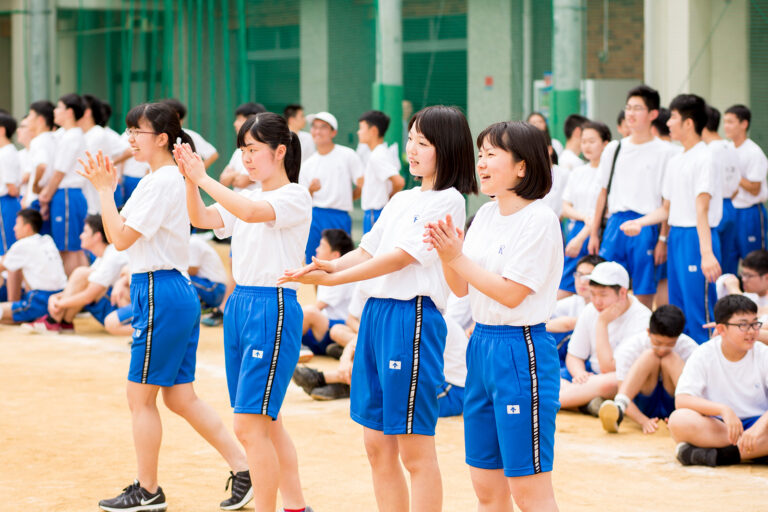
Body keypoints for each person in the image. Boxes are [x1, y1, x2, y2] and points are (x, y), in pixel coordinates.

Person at [282, 105, 477, 512]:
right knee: (375, 444)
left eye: (423, 143)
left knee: (413, 449)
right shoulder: (404, 198)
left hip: (412, 319)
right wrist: (329, 265)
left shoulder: (449, 201)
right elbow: (370, 247)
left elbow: (401, 257)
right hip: (376, 316)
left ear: (448, 148)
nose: (412, 149)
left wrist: (336, 279)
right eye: (411, 139)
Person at [78, 102, 251, 512]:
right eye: (129, 131)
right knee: (179, 398)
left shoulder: (162, 181)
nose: (130, 139)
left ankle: (148, 490)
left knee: (140, 397)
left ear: (161, 137)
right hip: (165, 289)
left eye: (136, 131)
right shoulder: (160, 178)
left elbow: (119, 238)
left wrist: (104, 189)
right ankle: (245, 468)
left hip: (159, 290)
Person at [174, 111, 313, 512]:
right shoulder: (246, 196)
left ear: (280, 151)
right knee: (267, 423)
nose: (246, 159)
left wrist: (203, 178)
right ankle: (297, 506)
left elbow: (252, 214)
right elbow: (200, 218)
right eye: (242, 151)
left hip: (273, 305)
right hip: (241, 305)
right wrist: (189, 177)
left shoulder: (292, 196)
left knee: (249, 425)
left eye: (253, 150)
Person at [423, 120, 561, 511]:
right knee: (486, 485)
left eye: (492, 154)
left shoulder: (539, 220)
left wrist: (456, 256)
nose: (481, 163)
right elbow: (461, 287)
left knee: (528, 490)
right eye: (480, 154)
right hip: (481, 345)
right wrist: (445, 251)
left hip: (521, 350)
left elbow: (512, 294)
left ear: (522, 166)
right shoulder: (484, 216)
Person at [620, 94, 722, 343]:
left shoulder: (705, 157)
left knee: (700, 311)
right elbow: (667, 209)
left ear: (688, 123)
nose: (668, 123)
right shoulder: (677, 159)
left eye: (674, 117)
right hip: (677, 235)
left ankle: (707, 372)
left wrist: (706, 253)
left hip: (697, 238)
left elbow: (702, 210)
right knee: (679, 311)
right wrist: (640, 222)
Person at [588, 85, 675, 309]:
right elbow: (602, 193)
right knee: (607, 285)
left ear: (653, 114)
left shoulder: (665, 152)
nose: (630, 114)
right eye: (628, 108)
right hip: (616, 224)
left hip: (647, 225)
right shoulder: (614, 149)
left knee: (644, 291)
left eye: (637, 108)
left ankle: (636, 335)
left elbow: (668, 202)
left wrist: (662, 239)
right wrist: (594, 233)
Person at [669, 295, 768, 466]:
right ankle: (757, 451)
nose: (752, 331)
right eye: (743, 325)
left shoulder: (762, 353)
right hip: (721, 426)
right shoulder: (704, 354)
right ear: (721, 329)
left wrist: (758, 428)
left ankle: (720, 456)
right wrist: (723, 410)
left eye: (754, 324)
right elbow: (682, 399)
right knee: (679, 420)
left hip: (760, 423)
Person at [560, 261, 651, 414]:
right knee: (546, 375)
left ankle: (553, 401)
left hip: (619, 380)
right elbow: (574, 355)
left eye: (603, 295)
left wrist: (602, 323)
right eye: (593, 294)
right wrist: (579, 374)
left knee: (611, 382)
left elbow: (609, 368)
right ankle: (586, 402)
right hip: (589, 377)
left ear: (623, 293)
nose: (597, 301)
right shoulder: (590, 309)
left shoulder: (642, 318)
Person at [599, 304, 698, 434]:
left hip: (675, 404)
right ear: (648, 332)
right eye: (657, 343)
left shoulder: (691, 349)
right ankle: (619, 409)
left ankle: (683, 418)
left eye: (669, 344)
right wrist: (642, 421)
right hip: (645, 402)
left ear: (678, 337)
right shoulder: (630, 348)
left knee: (670, 357)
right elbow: (622, 388)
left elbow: (698, 394)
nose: (662, 349)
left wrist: (679, 418)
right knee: (650, 355)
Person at [31, 213, 128, 333]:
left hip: (124, 308)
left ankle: (54, 321)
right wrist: (55, 297)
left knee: (82, 274)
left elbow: (89, 295)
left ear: (97, 236)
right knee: (85, 276)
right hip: (115, 306)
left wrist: (59, 304)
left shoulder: (114, 255)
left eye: (85, 232)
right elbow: (80, 288)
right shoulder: (104, 256)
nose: (81, 236)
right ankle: (65, 322)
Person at [299, 111, 363, 263]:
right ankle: (317, 288)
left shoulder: (348, 155)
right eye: (314, 127)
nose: (317, 131)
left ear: (333, 132)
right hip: (314, 217)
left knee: (339, 263)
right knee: (313, 262)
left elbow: (361, 184)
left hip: (339, 217)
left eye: (323, 127)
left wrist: (347, 199)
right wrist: (311, 190)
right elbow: (304, 199)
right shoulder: (307, 165)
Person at [558, 121, 611, 297]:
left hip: (599, 231)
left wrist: (584, 233)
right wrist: (584, 218)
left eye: (592, 141)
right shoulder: (578, 172)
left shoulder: (610, 174)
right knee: (569, 283)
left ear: (605, 144)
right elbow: (565, 207)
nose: (586, 146)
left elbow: (603, 211)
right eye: (583, 141)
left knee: (596, 286)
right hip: (579, 228)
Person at [40, 93, 89, 275]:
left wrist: (45, 196)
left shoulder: (72, 137)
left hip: (67, 194)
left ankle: (73, 292)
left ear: (69, 112)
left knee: (67, 248)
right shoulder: (68, 135)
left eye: (58, 107)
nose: (55, 111)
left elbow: (59, 172)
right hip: (67, 194)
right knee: (73, 247)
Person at [0, 209, 66, 325]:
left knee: (2, 312)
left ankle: (25, 314)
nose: (14, 228)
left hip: (41, 299)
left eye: (17, 224)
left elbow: (2, 266)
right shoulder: (47, 239)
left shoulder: (23, 244)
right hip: (62, 296)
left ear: (27, 227)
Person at [723, 104, 768, 265]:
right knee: (728, 259)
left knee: (754, 261)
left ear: (744, 124)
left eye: (730, 122)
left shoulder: (753, 152)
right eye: (724, 122)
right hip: (731, 211)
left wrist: (735, 174)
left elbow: (755, 189)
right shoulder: (725, 148)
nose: (726, 126)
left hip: (750, 213)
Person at [301, 229, 355, 357]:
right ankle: (337, 349)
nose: (317, 249)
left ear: (335, 255)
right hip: (325, 327)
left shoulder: (342, 275)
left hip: (337, 326)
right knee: (297, 319)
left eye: (322, 246)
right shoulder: (327, 272)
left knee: (308, 313)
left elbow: (317, 308)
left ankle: (285, 347)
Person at [704, 106, 740, 274]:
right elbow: (736, 185)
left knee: (713, 264)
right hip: (730, 206)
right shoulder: (730, 147)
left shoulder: (707, 150)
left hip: (714, 207)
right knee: (728, 261)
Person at [548, 254, 605, 364]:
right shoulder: (576, 300)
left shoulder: (603, 304)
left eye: (588, 276)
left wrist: (538, 327)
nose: (582, 281)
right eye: (579, 275)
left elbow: (568, 324)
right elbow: (544, 314)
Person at [357, 110, 405, 233]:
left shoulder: (378, 155)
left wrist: (389, 198)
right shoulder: (380, 152)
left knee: (372, 252)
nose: (358, 132)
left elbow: (399, 182)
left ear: (373, 131)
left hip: (375, 214)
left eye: (361, 128)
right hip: (374, 213)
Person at [24, 100, 57, 234]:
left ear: (41, 119)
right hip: (49, 197)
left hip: (37, 200)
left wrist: (35, 185)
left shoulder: (38, 141)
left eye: (30, 116)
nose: (27, 119)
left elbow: (42, 166)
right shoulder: (55, 139)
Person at [219, 102, 266, 193]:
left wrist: (232, 175)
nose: (235, 123)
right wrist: (237, 175)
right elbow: (223, 180)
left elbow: (242, 182)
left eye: (239, 119)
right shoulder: (238, 151)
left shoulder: (261, 149)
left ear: (252, 120)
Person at [160, 98, 219, 169]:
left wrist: (196, 172)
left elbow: (213, 154)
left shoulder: (190, 135)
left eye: (176, 118)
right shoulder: (154, 136)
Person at [188, 234, 228, 313]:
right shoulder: (195, 240)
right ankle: (203, 306)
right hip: (217, 288)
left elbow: (193, 270)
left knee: (180, 277)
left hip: (215, 288)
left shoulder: (192, 242)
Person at [0, 111, 21, 255]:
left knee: (7, 246)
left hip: (6, 202)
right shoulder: (9, 151)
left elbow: (12, 188)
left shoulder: (5, 153)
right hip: (8, 202)